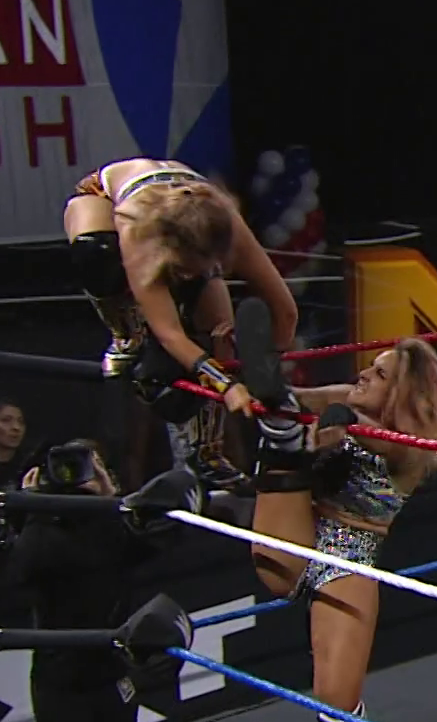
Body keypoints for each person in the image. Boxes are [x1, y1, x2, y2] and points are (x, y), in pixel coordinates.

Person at [235, 297, 437, 722]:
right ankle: (280, 441)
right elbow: (310, 398)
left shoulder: (414, 447)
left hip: (349, 556)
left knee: (335, 703)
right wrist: (264, 390)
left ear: (402, 395)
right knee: (283, 426)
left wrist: (344, 422)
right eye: (370, 366)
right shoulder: (348, 400)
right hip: (294, 531)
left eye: (380, 374)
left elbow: (381, 440)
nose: (364, 374)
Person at [64, 157, 300, 490]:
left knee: (217, 329)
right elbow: (170, 333)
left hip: (187, 219)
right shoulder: (137, 229)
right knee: (96, 253)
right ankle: (126, 335)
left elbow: (286, 311)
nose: (188, 276)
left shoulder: (228, 227)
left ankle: (207, 452)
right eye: (184, 268)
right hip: (104, 200)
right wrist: (227, 385)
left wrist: (264, 368)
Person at [9, 440, 167, 722]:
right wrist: (34, 507)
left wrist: (111, 502)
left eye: (94, 466)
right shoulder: (45, 530)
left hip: (112, 670)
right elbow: (22, 570)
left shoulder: (109, 527)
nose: (84, 475)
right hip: (63, 678)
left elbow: (148, 545)